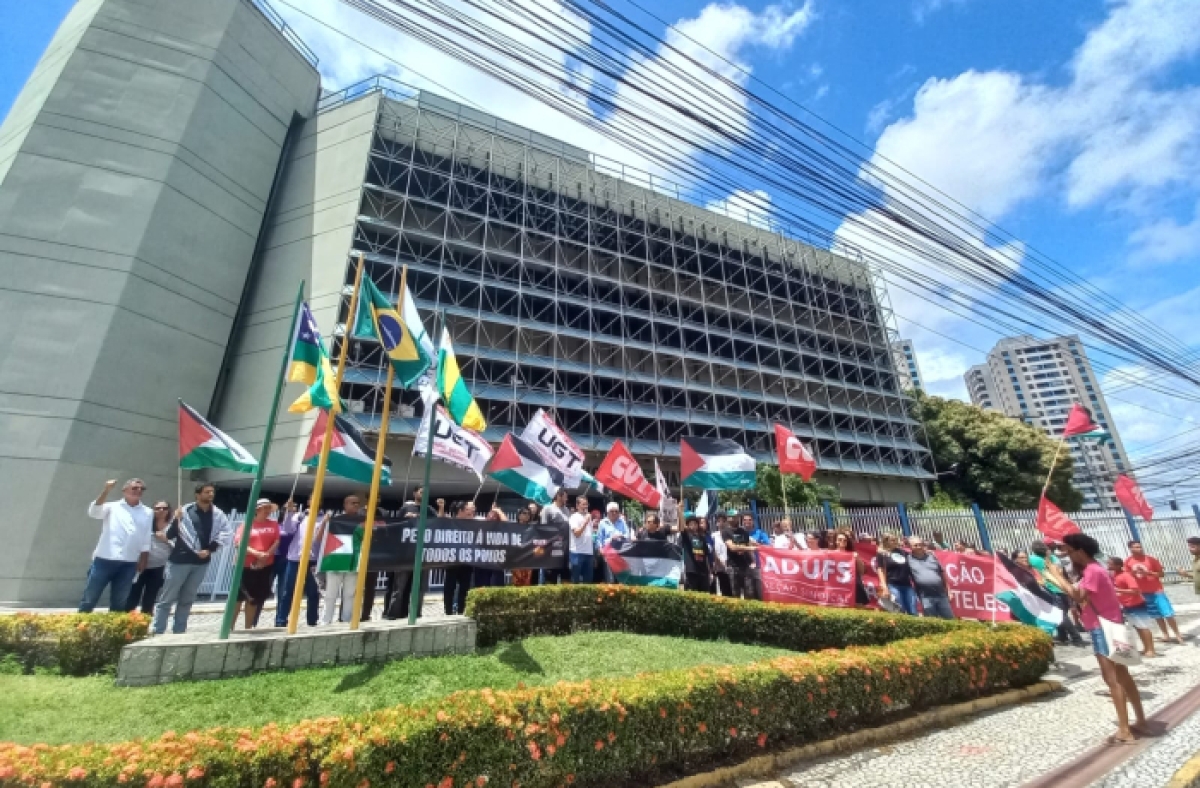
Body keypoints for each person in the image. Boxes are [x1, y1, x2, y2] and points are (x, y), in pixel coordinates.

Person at [1046, 533, 1146, 745]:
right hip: (1114, 624)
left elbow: (1078, 596)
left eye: (1069, 551)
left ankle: (1124, 730)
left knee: (1112, 679)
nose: (1067, 556)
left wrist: (1058, 577)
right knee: (1123, 675)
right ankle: (1141, 720)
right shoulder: (1099, 569)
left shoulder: (1092, 571)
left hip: (1101, 629)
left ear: (1080, 551)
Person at [80, 479, 153, 612]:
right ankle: (79, 629)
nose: (138, 491)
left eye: (141, 489)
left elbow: (146, 537)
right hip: (104, 560)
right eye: (134, 488)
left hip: (129, 563)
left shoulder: (147, 512)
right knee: (90, 598)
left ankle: (115, 631)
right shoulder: (112, 507)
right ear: (124, 491)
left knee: (119, 601)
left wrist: (143, 559)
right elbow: (94, 512)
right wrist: (106, 490)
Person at [385, 489, 443, 620]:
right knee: (399, 586)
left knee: (420, 587)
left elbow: (439, 523)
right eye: (422, 492)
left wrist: (441, 508)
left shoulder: (429, 510)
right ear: (415, 493)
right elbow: (394, 526)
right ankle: (394, 613)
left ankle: (416, 613)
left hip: (423, 554)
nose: (424, 494)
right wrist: (406, 518)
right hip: (405, 554)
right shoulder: (406, 508)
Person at [275, 502, 329, 629]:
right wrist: (288, 513)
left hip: (313, 559)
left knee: (313, 592)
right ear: (310, 501)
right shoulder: (299, 516)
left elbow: (323, 538)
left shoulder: (324, 518)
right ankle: (281, 620)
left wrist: (325, 522)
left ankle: (312, 620)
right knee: (288, 590)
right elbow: (288, 529)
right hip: (295, 558)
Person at [233, 498, 281, 629]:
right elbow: (239, 543)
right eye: (265, 508)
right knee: (238, 597)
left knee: (254, 598)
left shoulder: (273, 524)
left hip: (264, 566)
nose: (267, 511)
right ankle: (230, 627)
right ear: (257, 510)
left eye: (269, 508)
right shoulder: (247, 524)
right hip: (245, 565)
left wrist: (266, 555)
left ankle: (248, 627)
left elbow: (276, 541)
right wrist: (257, 554)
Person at [1029, 540, 1086, 647]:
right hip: (1061, 588)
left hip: (1050, 589)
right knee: (1058, 613)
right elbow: (1060, 571)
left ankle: (1076, 637)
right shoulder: (1054, 558)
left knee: (1060, 615)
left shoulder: (1033, 559)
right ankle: (1062, 635)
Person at [1125, 540, 1182, 644]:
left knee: (1167, 613)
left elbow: (1161, 574)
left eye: (1140, 547)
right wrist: (1133, 573)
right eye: (1136, 547)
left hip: (1157, 590)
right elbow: (1127, 577)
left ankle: (1178, 635)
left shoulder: (1151, 559)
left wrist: (1149, 573)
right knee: (1156, 615)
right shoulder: (1128, 562)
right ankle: (1165, 634)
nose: (1139, 549)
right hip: (1143, 592)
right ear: (1131, 549)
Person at [123, 500, 173, 614]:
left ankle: (144, 624)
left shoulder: (173, 526)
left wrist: (165, 539)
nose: (161, 510)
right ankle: (128, 624)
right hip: (140, 565)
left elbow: (179, 545)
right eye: (157, 508)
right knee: (133, 595)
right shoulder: (146, 524)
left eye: (164, 508)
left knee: (150, 597)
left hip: (160, 566)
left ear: (168, 510)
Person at [322, 495, 364, 625]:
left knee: (349, 594)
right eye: (353, 503)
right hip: (336, 561)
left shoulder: (363, 521)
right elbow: (318, 539)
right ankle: (326, 621)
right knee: (330, 594)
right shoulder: (335, 520)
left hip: (353, 562)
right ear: (345, 505)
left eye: (357, 503)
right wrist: (324, 522)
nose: (356, 505)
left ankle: (346, 620)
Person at [1108, 557, 1158, 658]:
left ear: (1118, 565)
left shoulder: (1126, 576)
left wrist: (1117, 590)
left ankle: (1151, 650)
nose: (1108, 565)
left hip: (1136, 604)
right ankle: (1146, 648)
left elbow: (1135, 590)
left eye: (1110, 564)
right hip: (1128, 605)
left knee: (1143, 627)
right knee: (1138, 627)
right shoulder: (1115, 575)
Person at [442, 501, 476, 615]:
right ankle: (448, 612)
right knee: (449, 588)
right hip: (452, 561)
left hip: (466, 562)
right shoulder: (450, 522)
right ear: (460, 511)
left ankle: (461, 611)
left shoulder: (472, 524)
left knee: (465, 588)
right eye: (467, 509)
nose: (470, 512)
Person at [908, 537, 953, 619]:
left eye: (920, 544)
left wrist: (949, 591)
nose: (919, 547)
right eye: (915, 545)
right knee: (932, 621)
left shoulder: (932, 556)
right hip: (925, 597)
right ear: (910, 547)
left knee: (950, 620)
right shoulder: (908, 559)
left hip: (941, 595)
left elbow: (942, 574)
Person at [875, 533, 917, 615]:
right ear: (886, 541)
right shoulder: (882, 554)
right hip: (892, 585)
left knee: (912, 609)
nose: (895, 542)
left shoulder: (903, 552)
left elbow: (914, 557)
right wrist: (884, 586)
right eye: (892, 540)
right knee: (899, 610)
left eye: (896, 540)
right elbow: (880, 569)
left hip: (907, 584)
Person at [725, 513, 761, 600]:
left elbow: (749, 545)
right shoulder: (726, 532)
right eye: (732, 517)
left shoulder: (743, 531)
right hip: (733, 566)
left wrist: (753, 561)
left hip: (746, 565)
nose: (734, 519)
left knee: (749, 593)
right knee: (735, 593)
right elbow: (732, 547)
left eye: (736, 517)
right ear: (728, 519)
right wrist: (750, 548)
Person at [540, 491, 571, 585]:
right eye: (565, 497)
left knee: (565, 576)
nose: (567, 499)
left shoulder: (566, 510)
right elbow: (543, 528)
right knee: (551, 577)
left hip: (564, 549)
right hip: (551, 549)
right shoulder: (548, 508)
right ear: (558, 496)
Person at [473, 506, 508, 588]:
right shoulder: (479, 522)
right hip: (481, 561)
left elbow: (507, 523)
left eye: (495, 516)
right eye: (491, 514)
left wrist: (498, 510)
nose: (492, 516)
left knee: (497, 585)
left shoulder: (500, 527)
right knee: (481, 586)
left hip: (496, 561)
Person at [681, 516, 713, 592]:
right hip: (691, 571)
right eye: (690, 524)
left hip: (703, 571)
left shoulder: (702, 538)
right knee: (691, 596)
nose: (693, 526)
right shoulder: (687, 536)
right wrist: (679, 511)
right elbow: (681, 528)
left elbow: (706, 556)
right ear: (687, 526)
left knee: (704, 595)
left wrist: (710, 572)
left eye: (695, 524)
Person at [568, 495, 594, 584]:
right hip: (577, 553)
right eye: (583, 504)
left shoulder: (588, 517)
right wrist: (585, 522)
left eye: (587, 504)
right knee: (576, 580)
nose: (585, 507)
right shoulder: (574, 517)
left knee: (588, 580)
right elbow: (577, 534)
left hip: (589, 553)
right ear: (577, 506)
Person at [512, 508, 537, 587]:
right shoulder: (512, 527)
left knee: (527, 582)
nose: (527, 515)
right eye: (524, 513)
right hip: (517, 559)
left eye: (528, 514)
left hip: (528, 559)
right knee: (517, 582)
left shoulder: (532, 528)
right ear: (519, 515)